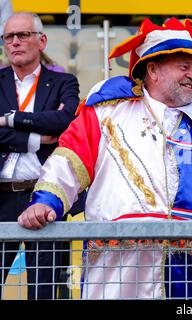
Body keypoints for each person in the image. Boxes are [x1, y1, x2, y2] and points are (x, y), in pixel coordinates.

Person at [18, 17, 192, 300]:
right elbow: (69, 161)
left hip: (190, 272)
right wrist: (46, 201)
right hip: (118, 271)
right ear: (152, 69)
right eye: (183, 66)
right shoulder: (107, 111)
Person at [0, 12, 81, 299]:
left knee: (44, 291)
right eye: (9, 37)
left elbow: (65, 123)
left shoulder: (64, 83)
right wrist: (37, 136)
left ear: (41, 40)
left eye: (23, 35)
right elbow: (51, 126)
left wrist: (9, 120)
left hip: (44, 197)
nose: (15, 43)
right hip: (2, 197)